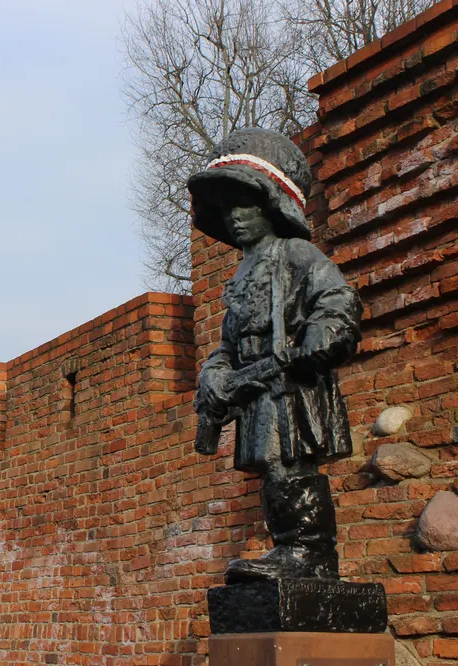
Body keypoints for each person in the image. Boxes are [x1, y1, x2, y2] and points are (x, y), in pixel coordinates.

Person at [188, 127, 363, 584]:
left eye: (244, 204)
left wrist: (323, 332)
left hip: (290, 384)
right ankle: (289, 548)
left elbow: (338, 300)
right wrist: (214, 372)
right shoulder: (243, 272)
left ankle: (310, 554)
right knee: (271, 469)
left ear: (271, 205)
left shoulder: (297, 254)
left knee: (291, 464)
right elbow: (229, 341)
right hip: (256, 386)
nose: (235, 217)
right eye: (227, 208)